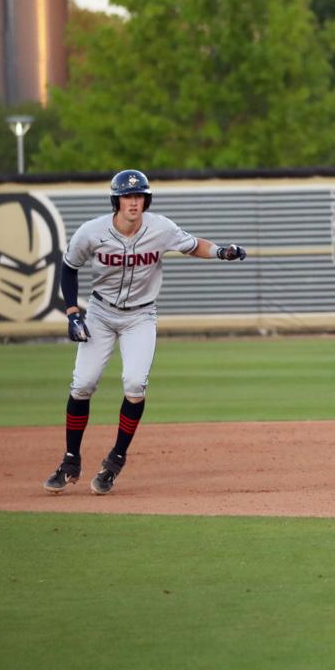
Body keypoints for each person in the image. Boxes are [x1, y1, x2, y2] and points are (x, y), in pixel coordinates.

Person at [43, 169, 248, 495]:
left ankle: (116, 459)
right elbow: (69, 267)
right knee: (83, 384)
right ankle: (70, 459)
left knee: (135, 384)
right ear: (116, 200)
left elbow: (193, 245)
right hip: (100, 313)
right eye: (127, 196)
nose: (133, 202)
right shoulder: (92, 231)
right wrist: (72, 313)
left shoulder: (160, 228)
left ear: (146, 200)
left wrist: (221, 251)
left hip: (141, 316)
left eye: (139, 196)